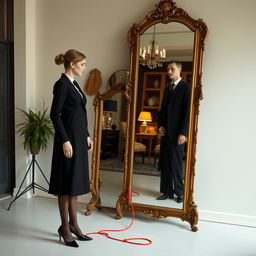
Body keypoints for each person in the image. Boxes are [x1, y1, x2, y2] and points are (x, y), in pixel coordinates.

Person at [48, 49, 93, 247]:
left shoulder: (74, 84)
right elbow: (54, 114)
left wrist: (87, 135)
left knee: (73, 184)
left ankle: (74, 224)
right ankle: (64, 228)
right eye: (82, 64)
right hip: (68, 143)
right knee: (66, 186)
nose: (84, 67)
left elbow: (78, 113)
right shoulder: (61, 84)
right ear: (72, 64)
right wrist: (65, 140)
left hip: (78, 140)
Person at [156, 61, 191, 203]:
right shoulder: (167, 88)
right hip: (166, 133)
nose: (169, 72)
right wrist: (159, 126)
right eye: (168, 69)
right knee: (165, 163)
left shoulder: (186, 88)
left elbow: (188, 113)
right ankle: (167, 191)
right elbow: (162, 111)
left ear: (179, 69)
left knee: (176, 163)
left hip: (178, 134)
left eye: (172, 69)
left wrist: (183, 133)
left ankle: (180, 192)